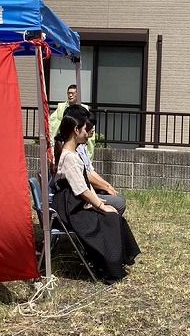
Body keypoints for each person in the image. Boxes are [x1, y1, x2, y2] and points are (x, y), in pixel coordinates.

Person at [52, 105, 140, 282]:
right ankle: (110, 265)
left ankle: (114, 261)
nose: (88, 132)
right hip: (70, 210)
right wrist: (101, 206)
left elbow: (84, 185)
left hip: (73, 204)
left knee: (113, 217)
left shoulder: (72, 154)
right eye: (85, 129)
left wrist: (100, 204)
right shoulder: (70, 158)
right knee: (110, 219)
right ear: (76, 130)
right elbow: (81, 189)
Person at [62, 105, 126, 214]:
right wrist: (100, 204)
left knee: (117, 202)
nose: (90, 131)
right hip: (75, 203)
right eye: (87, 127)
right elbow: (82, 187)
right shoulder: (69, 156)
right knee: (118, 203)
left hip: (78, 199)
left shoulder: (76, 149)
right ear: (76, 129)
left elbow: (87, 178)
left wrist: (106, 187)